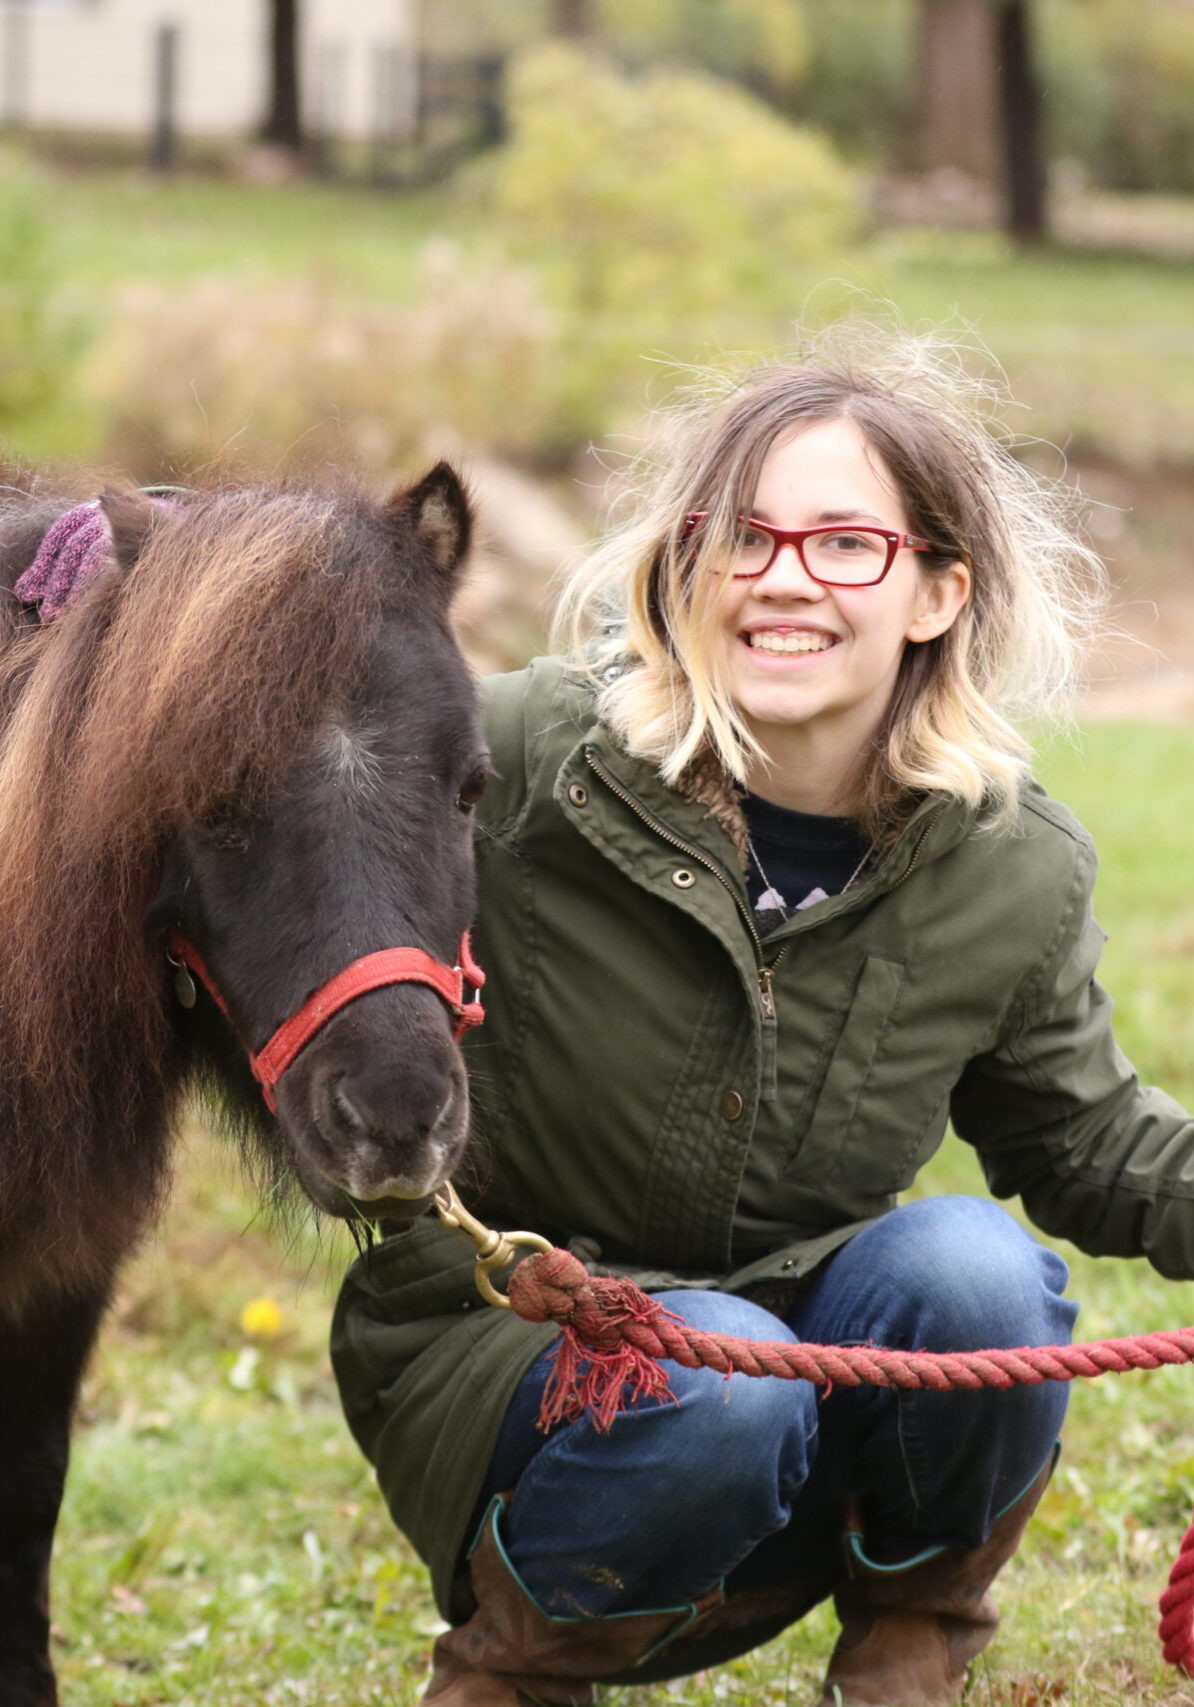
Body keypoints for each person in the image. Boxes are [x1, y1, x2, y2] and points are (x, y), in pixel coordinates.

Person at [331, 328, 1194, 1707]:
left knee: (976, 1271)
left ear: (933, 592)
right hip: (515, 1341)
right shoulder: (521, 759)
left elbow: (1086, 1141)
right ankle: (509, 1677)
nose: (784, 576)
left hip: (804, 1350)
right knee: (729, 1389)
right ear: (685, 570)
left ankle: (909, 1644)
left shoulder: (1009, 863)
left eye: (844, 543)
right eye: (742, 537)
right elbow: (287, 836)